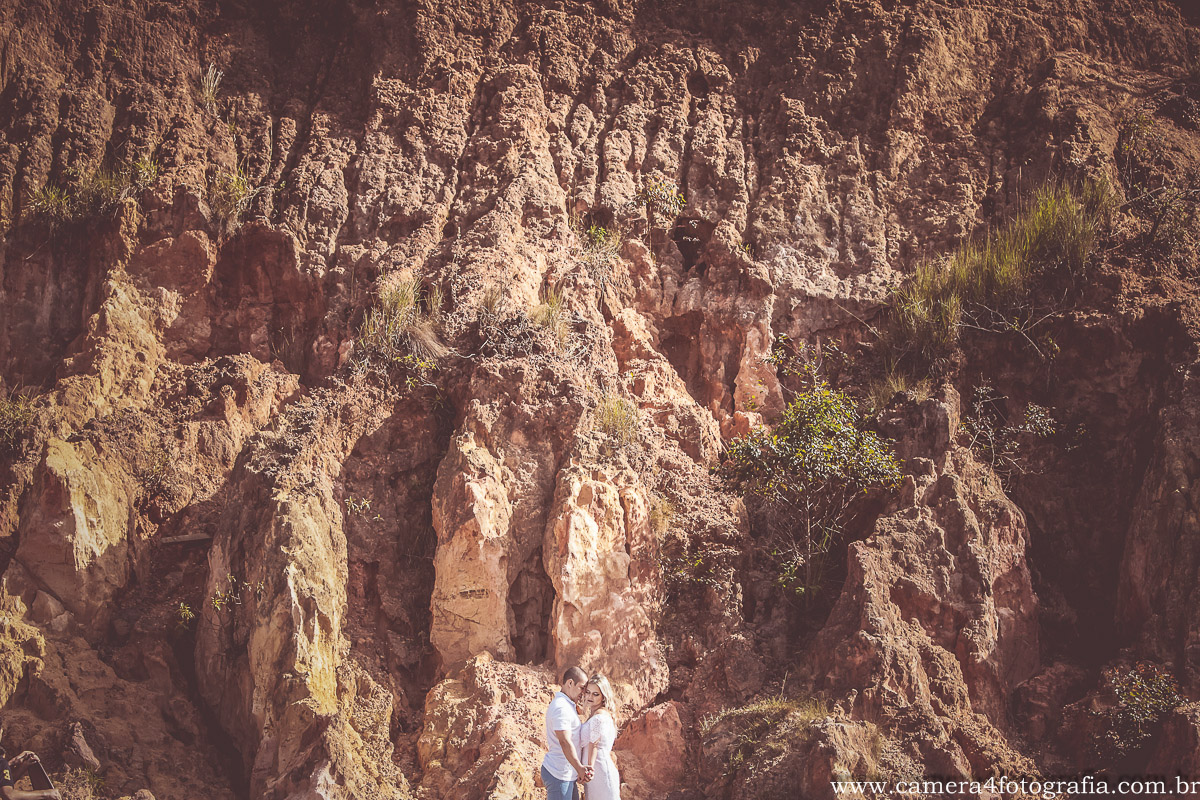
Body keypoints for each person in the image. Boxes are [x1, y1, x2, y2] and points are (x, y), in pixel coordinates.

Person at [542, 666, 593, 800]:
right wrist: (579, 768)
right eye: (582, 688)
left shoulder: (567, 705)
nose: (584, 693)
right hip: (559, 775)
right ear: (570, 683)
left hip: (565, 774)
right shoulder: (561, 707)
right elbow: (565, 741)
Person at [579, 674, 621, 800]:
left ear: (603, 696)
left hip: (599, 772)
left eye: (595, 694)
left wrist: (589, 769)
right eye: (588, 692)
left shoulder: (599, 717)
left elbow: (594, 744)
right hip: (595, 774)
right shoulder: (596, 715)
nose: (590, 697)